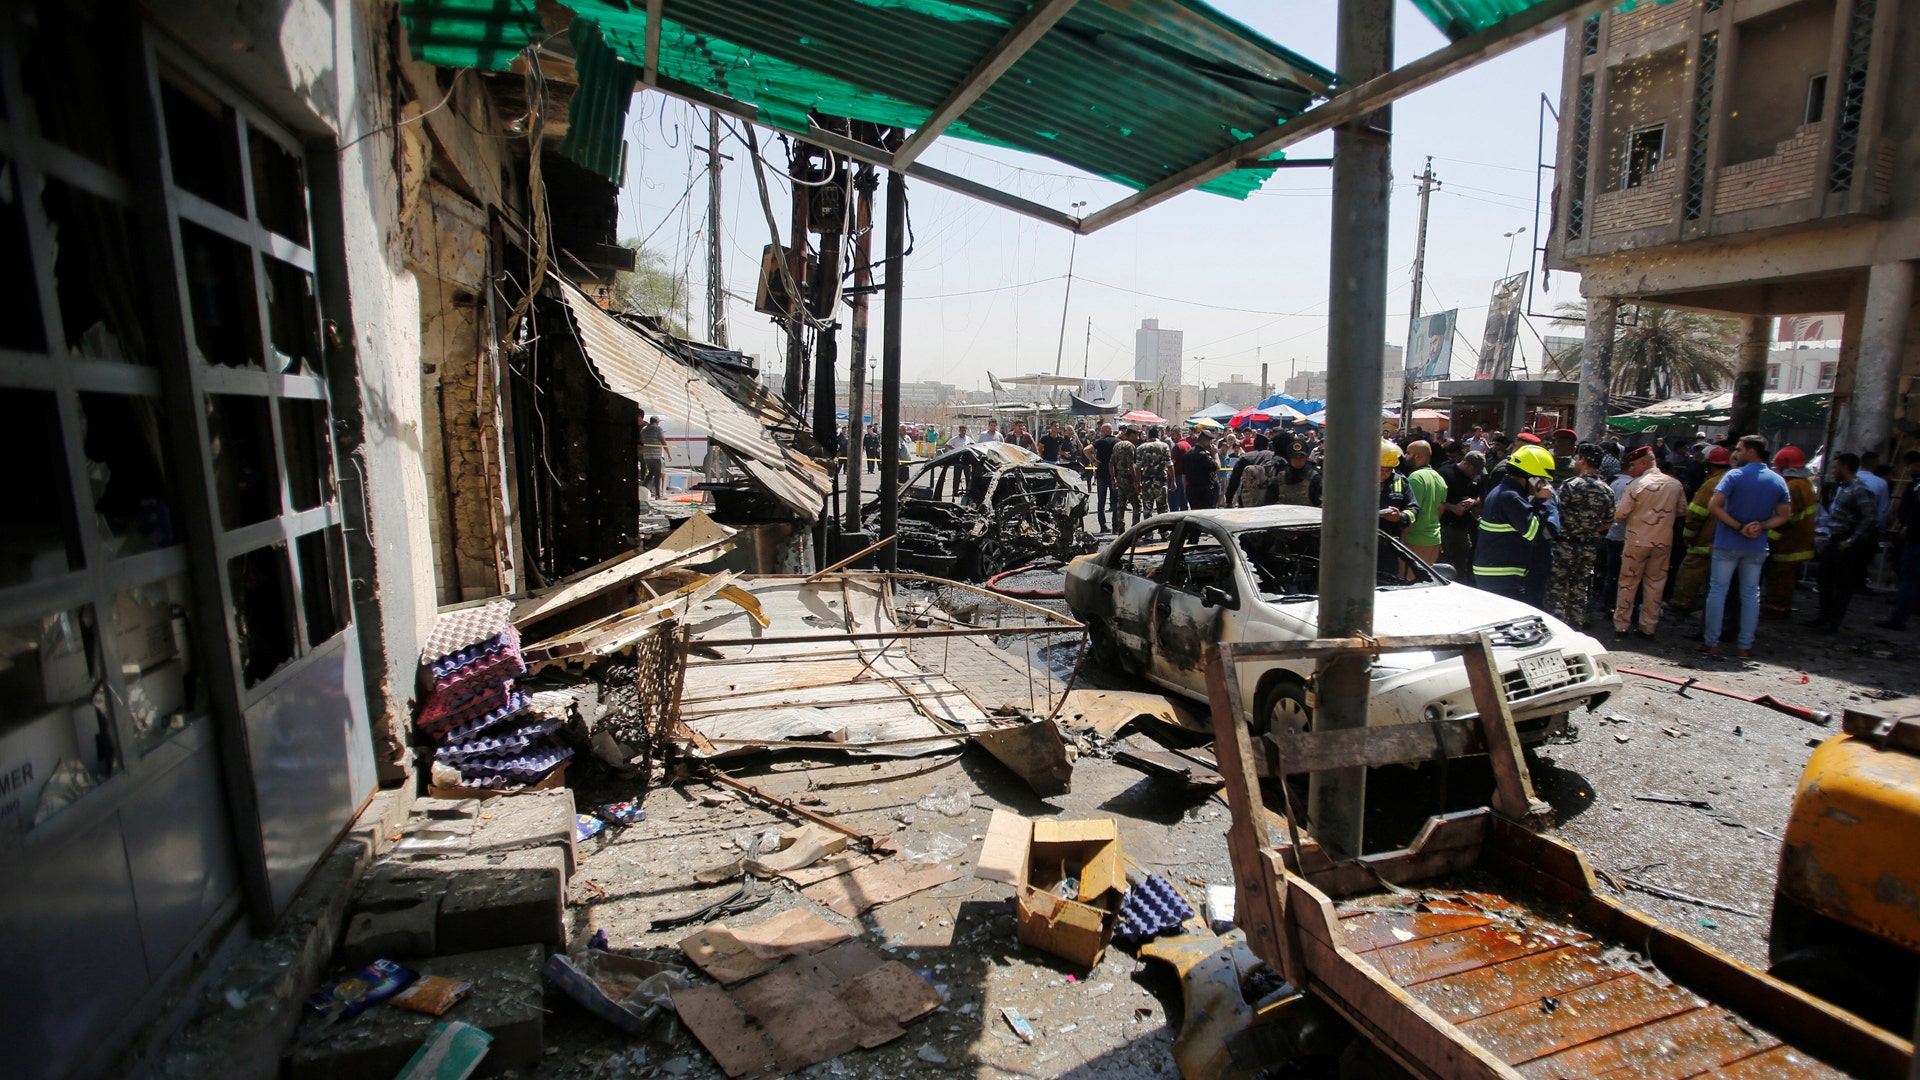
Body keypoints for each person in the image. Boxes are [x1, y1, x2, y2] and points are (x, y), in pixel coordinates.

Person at [1702, 435, 1793, 657]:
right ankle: (1745, 646)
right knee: (1751, 595)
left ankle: (1711, 643)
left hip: (1727, 544)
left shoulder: (1734, 475)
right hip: (1756, 546)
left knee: (1717, 592)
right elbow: (1783, 516)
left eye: (1740, 450)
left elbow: (1714, 505)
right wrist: (1760, 526)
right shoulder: (1777, 480)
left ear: (1752, 451)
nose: (1736, 454)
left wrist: (1738, 526)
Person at [1474, 444, 1558, 608]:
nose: (1543, 484)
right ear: (1530, 477)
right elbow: (1532, 531)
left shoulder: (1502, 491)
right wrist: (1544, 501)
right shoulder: (1512, 497)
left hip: (1495, 573)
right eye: (1541, 479)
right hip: (1502, 576)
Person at [1612, 445, 1683, 637]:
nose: (1631, 469)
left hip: (1636, 541)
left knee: (1628, 582)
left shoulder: (1636, 485)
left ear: (1644, 463)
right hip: (1663, 542)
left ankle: (1622, 625)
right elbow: (1683, 510)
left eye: (1633, 465)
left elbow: (1620, 513)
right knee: (1655, 584)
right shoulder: (1675, 484)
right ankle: (1648, 626)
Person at [1808, 453, 1879, 634]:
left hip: (1846, 542)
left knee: (1842, 584)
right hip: (1835, 538)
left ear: (1845, 468)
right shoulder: (1842, 488)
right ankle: (1823, 617)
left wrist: (1851, 540)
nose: (1833, 471)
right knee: (1824, 579)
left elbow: (1869, 517)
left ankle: (1833, 622)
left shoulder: (1859, 489)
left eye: (1836, 467)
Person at [1549, 443, 1615, 628]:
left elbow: (1557, 514)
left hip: (1564, 546)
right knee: (1579, 589)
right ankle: (1576, 627)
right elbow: (1609, 521)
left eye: (1577, 458)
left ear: (1583, 460)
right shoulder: (1606, 490)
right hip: (1588, 547)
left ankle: (1558, 627)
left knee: (1557, 589)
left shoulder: (1571, 486)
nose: (1575, 462)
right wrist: (1589, 529)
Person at [1668, 445, 1733, 614]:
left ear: (1711, 465)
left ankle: (1682, 602)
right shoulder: (1735, 480)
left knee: (1691, 569)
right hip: (1725, 539)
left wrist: (1688, 535)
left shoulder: (1711, 484)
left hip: (1704, 539)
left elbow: (1696, 512)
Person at [1763, 446, 1818, 619]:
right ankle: (1781, 605)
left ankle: (1777, 608)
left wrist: (1768, 539)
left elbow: (1784, 518)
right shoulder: (1804, 485)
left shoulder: (1793, 487)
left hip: (1788, 543)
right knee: (1786, 578)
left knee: (1781, 578)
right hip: (1797, 541)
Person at [1877, 451, 1920, 629]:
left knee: (1910, 577)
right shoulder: (1915, 484)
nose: (1908, 469)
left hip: (1915, 537)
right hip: (1913, 534)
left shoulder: (1917, 485)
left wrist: (1908, 526)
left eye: (1910, 465)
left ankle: (1899, 616)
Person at [1438, 450, 1483, 580]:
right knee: (1441, 563)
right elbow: (1435, 500)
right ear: (1466, 464)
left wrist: (1474, 501)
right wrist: (1453, 508)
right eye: (1475, 470)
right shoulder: (1444, 473)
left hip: (1463, 527)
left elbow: (1482, 495)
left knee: (1462, 563)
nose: (1475, 474)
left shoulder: (1476, 478)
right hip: (1445, 526)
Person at [1404, 440, 1447, 565]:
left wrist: (1401, 540)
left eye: (1408, 453)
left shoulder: (1415, 478)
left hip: (1414, 541)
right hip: (1434, 540)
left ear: (1418, 456)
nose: (1405, 456)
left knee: (1408, 582)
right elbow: (1440, 510)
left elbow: (1412, 513)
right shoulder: (1439, 478)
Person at [1377, 441, 1419, 543]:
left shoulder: (1400, 481)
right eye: (1380, 470)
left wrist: (1400, 517)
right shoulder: (1358, 481)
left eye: (1388, 470)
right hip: (1360, 541)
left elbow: (1413, 509)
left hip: (1389, 542)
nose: (1384, 474)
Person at [1225, 442, 1279, 507]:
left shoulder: (1245, 457)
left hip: (1247, 494)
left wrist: (1229, 500)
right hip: (1267, 494)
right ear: (1267, 446)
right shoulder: (1273, 455)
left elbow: (1234, 479)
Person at [1135, 430, 1172, 521]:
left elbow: (1138, 467)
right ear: (1158, 435)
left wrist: (1137, 482)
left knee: (1147, 509)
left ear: (1148, 435)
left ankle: (1148, 533)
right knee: (1162, 508)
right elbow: (1170, 465)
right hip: (1161, 481)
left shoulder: (1141, 448)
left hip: (1147, 481)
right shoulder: (1164, 446)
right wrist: (1173, 481)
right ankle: (1164, 532)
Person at [1110, 427, 1141, 531]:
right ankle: (1135, 529)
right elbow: (1131, 464)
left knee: (1121, 504)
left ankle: (1120, 527)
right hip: (1129, 479)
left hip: (1120, 478)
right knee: (1136, 504)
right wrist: (1136, 482)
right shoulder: (1130, 446)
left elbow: (1111, 463)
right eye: (1136, 435)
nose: (1138, 438)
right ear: (1131, 435)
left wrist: (1113, 478)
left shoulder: (1117, 445)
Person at [1182, 430, 1222, 510]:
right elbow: (1217, 468)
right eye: (1210, 442)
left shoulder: (1187, 453)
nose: (1211, 445)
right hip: (1205, 492)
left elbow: (1184, 474)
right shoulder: (1203, 455)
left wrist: (1185, 489)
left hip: (1192, 491)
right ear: (1205, 441)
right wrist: (1215, 454)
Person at [1092, 423, 1119, 531]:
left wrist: (1094, 461)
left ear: (1108, 430)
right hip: (1114, 475)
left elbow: (1086, 450)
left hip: (1101, 474)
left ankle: (1103, 526)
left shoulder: (1100, 442)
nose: (1101, 433)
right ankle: (1116, 526)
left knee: (1101, 501)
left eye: (1102, 431)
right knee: (1115, 501)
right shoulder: (1118, 442)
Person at [640, 414, 669, 498]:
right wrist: (668, 453)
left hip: (646, 455)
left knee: (651, 473)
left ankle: (642, 489)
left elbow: (642, 442)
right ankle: (658, 495)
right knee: (658, 474)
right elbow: (663, 441)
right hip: (656, 456)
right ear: (657, 422)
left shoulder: (643, 430)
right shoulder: (658, 429)